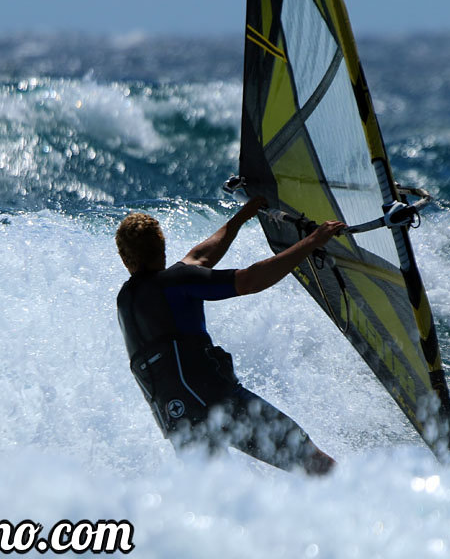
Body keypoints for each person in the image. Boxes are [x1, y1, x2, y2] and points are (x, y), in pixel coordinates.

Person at [115, 197, 345, 475]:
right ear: (162, 246)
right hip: (220, 404)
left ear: (125, 258)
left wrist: (241, 218)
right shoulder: (176, 282)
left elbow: (200, 257)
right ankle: (372, 509)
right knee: (314, 463)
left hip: (179, 424)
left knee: (225, 501)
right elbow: (250, 279)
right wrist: (312, 241)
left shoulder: (126, 301)